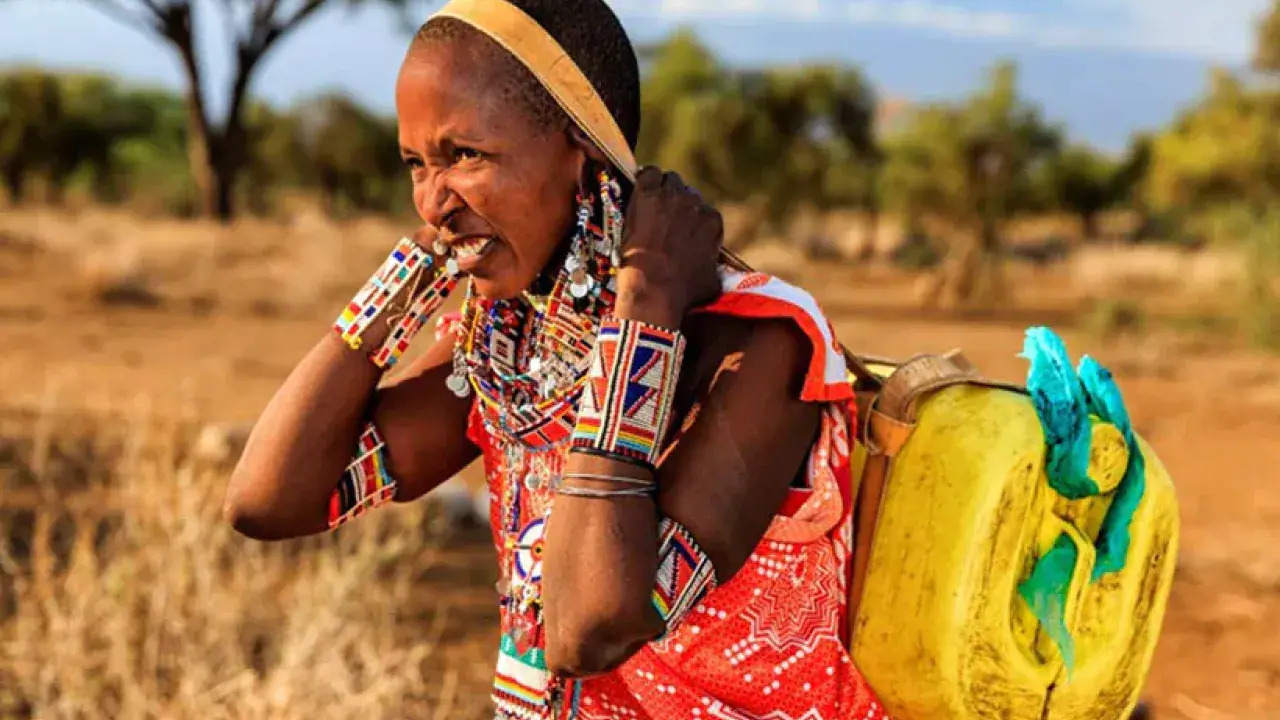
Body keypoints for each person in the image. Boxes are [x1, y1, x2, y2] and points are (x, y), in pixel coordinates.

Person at [223, 0, 887, 717]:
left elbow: (588, 627)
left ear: (582, 152)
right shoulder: (505, 348)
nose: (432, 199)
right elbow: (268, 500)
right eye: (416, 164)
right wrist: (411, 272)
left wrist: (643, 316)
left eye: (466, 156)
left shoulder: (758, 343)